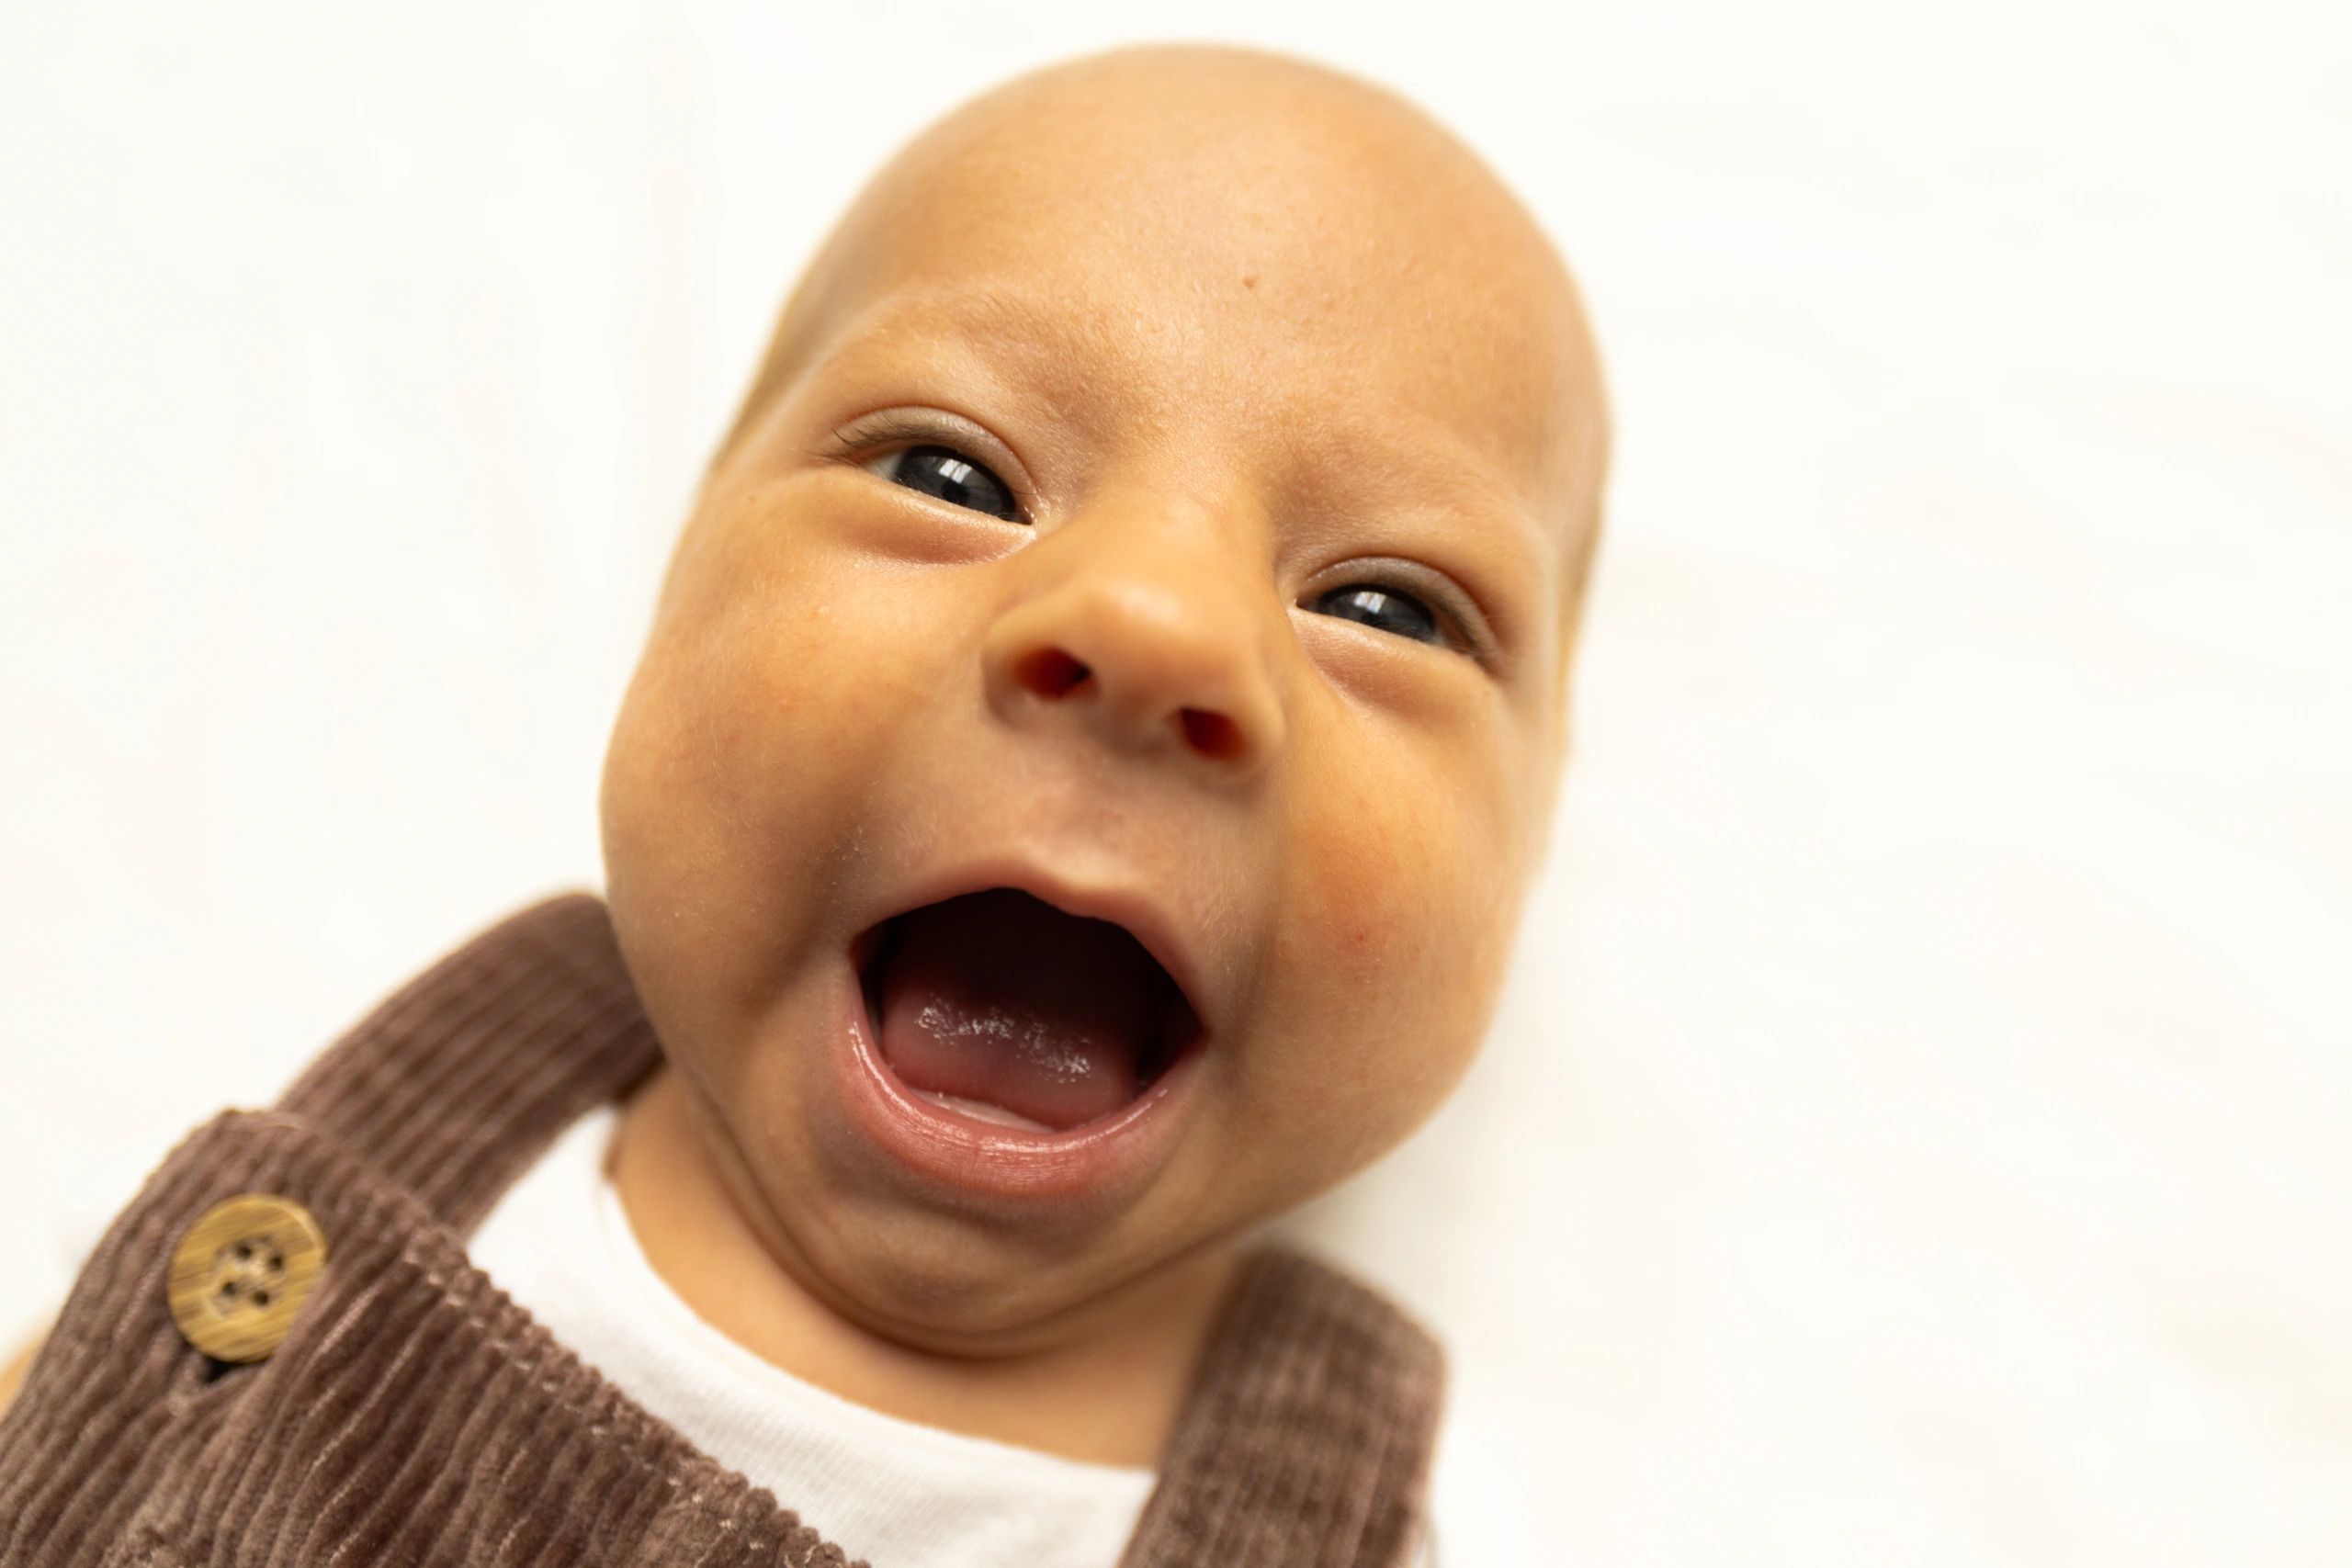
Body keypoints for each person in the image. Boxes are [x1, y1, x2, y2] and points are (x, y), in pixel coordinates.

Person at [0, 39, 1610, 1566]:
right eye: (951, 478)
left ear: (1535, 842)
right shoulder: (374, 1160)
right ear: (681, 573)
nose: (1151, 626)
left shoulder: (1394, 1526)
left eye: (1388, 609)